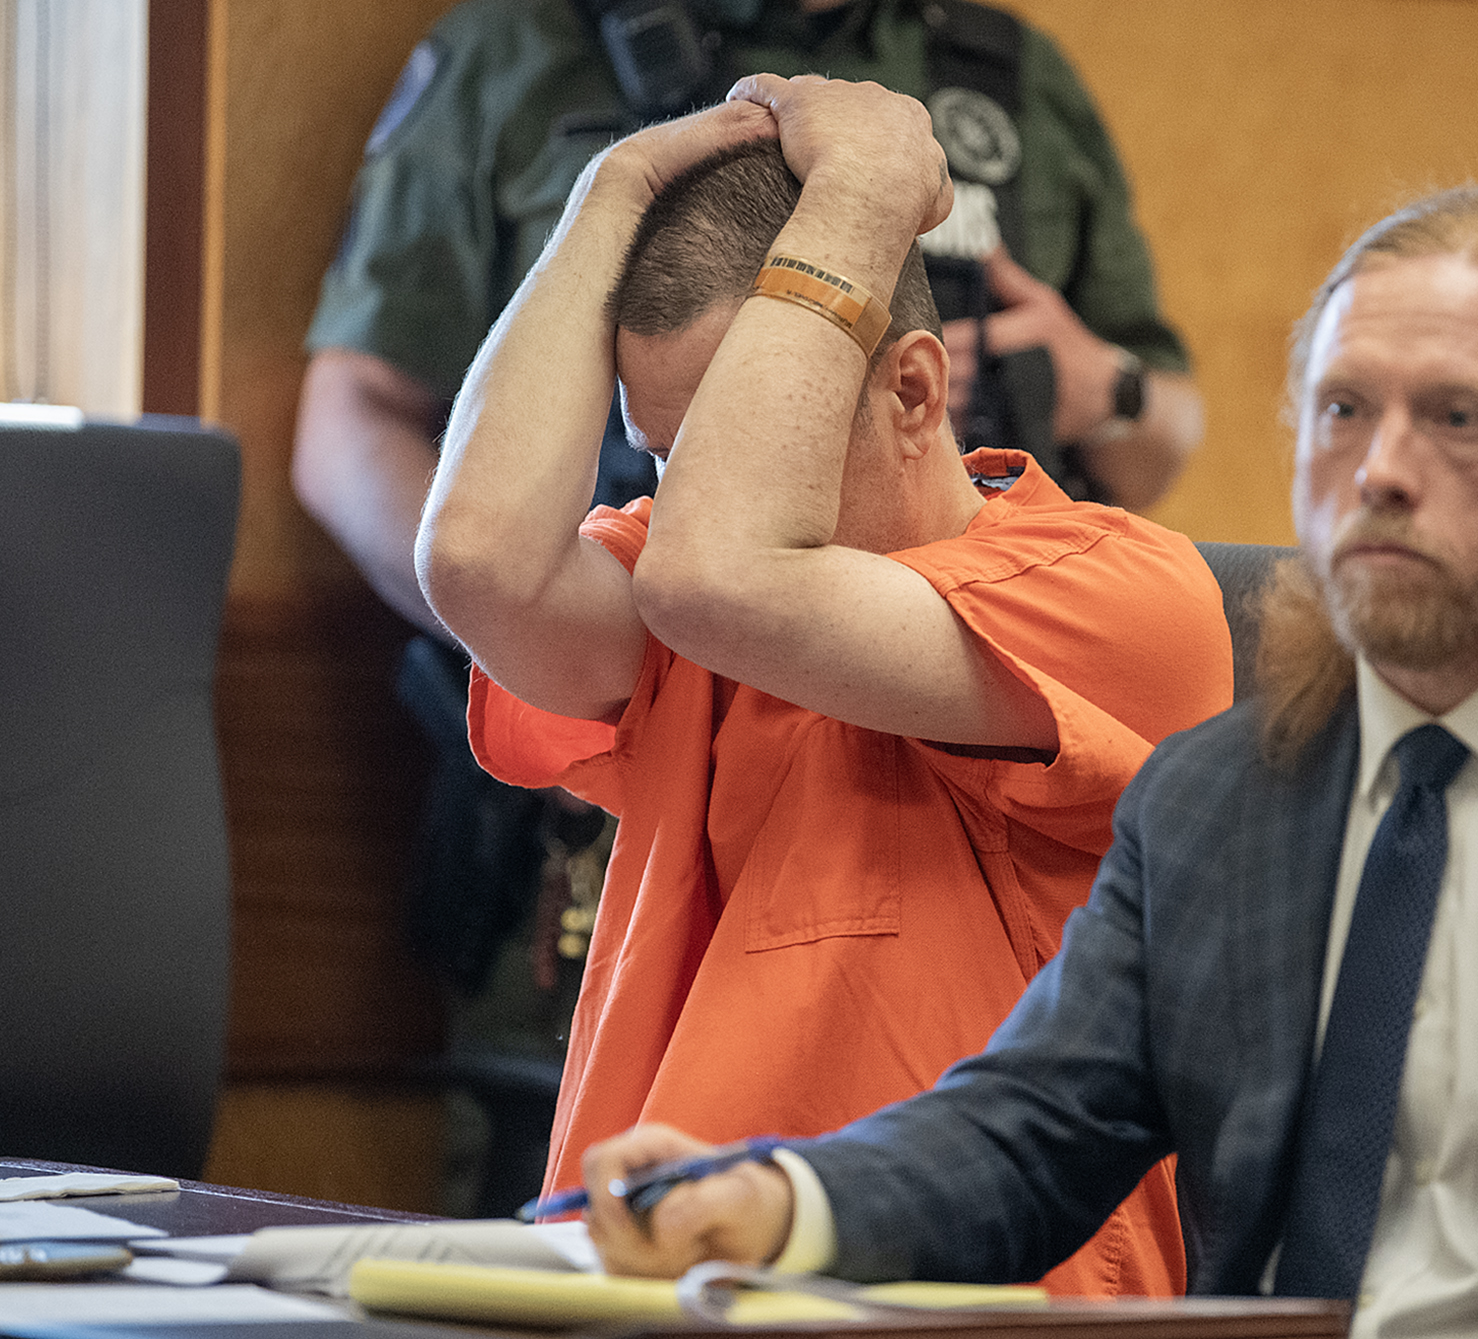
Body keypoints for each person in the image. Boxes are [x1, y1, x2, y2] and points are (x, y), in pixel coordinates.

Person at [578, 184, 1478, 1337]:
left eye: (1458, 417)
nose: (1380, 466)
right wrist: (768, 1199)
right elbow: (1025, 1128)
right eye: (1342, 410)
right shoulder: (1218, 802)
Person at [291, 0, 1202, 1218]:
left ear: (915, 394)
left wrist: (871, 192)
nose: (694, 490)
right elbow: (480, 566)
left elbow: (725, 585)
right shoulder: (692, 587)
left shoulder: (1118, 591)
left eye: (747, 424)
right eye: (668, 453)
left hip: (955, 1297)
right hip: (642, 1277)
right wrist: (607, 197)